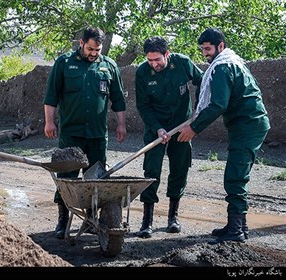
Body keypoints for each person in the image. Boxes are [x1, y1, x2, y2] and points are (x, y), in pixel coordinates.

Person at [178, 28, 270, 243]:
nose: (205, 54)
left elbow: (218, 104)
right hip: (249, 125)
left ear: (220, 46)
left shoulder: (222, 67)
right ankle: (238, 225)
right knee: (237, 175)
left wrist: (194, 128)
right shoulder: (234, 62)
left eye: (208, 49)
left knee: (234, 177)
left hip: (247, 126)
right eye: (202, 50)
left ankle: (236, 231)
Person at [43, 26, 127, 239]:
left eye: (97, 49)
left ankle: (91, 219)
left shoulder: (109, 66)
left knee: (96, 178)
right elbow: (51, 96)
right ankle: (63, 220)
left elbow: (118, 99)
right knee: (66, 178)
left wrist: (121, 125)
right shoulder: (64, 63)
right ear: (81, 43)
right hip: (71, 134)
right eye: (90, 48)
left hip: (98, 135)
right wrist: (49, 122)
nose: (94, 53)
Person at [134, 36, 203, 238]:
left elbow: (204, 82)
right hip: (156, 129)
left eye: (157, 59)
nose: (153, 64)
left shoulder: (182, 63)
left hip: (182, 127)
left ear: (167, 54)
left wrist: (197, 112)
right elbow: (143, 106)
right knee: (151, 171)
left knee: (179, 169)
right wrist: (157, 128)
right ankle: (147, 221)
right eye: (150, 60)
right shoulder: (142, 73)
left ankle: (173, 217)